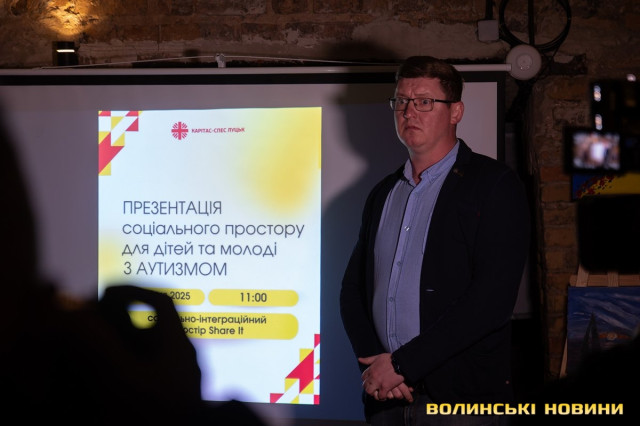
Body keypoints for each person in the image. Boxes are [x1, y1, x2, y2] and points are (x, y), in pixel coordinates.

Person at [339, 56, 531, 425]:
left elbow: (491, 301)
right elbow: (353, 289)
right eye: (401, 101)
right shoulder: (383, 193)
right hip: (387, 399)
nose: (409, 111)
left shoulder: (494, 185)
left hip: (461, 403)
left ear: (455, 111)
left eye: (424, 101)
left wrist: (402, 365)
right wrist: (375, 363)